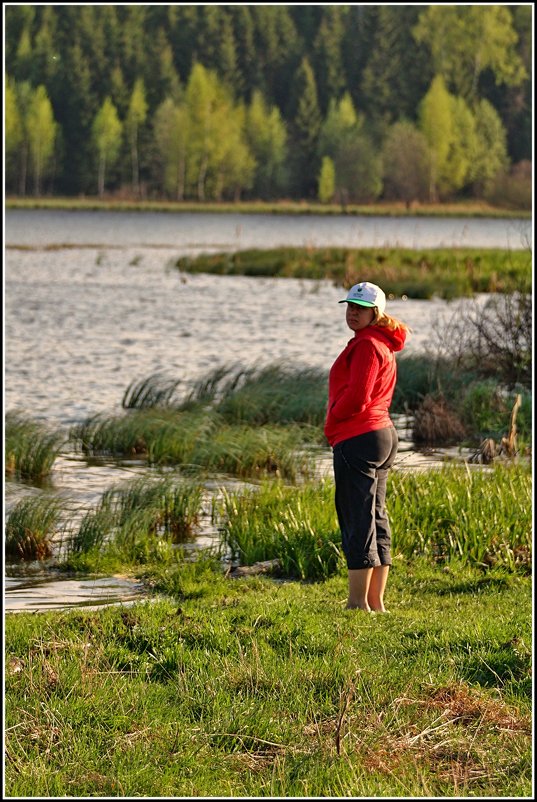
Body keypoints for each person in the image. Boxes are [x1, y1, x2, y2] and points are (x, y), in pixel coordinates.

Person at [324, 281, 409, 612]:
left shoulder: (366, 346)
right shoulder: (382, 344)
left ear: (377, 313)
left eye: (360, 308)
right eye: (349, 306)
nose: (352, 312)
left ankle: (358, 603)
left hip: (359, 437)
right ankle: (375, 601)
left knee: (357, 517)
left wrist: (332, 421)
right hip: (382, 436)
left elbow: (358, 397)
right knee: (375, 515)